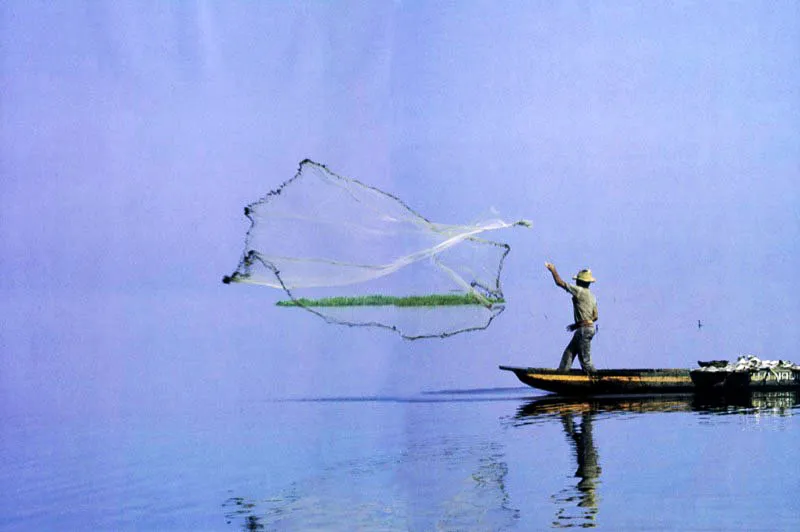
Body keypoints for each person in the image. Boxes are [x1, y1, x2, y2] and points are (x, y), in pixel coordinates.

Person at [545, 263, 598, 373]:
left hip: (583, 330)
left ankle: (596, 379)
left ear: (579, 282)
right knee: (569, 352)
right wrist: (577, 325)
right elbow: (595, 317)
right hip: (586, 329)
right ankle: (562, 373)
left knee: (585, 361)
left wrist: (553, 270)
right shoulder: (592, 296)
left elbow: (560, 283)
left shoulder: (579, 290)